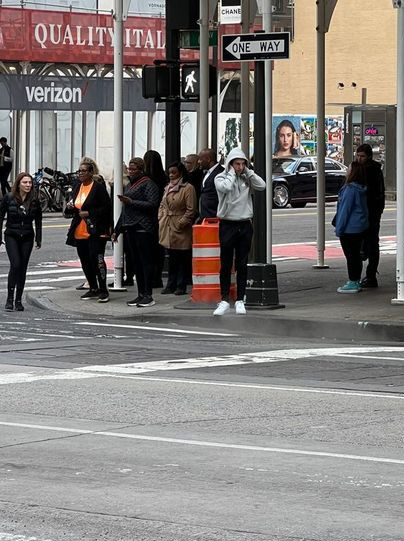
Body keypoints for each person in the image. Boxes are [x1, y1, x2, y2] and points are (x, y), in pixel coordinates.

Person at [213, 148, 266, 316]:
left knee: (242, 264)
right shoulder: (220, 177)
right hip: (227, 224)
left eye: (242, 163)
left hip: (244, 224)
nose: (240, 167)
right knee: (226, 263)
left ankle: (240, 299)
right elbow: (226, 188)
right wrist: (230, 173)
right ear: (230, 164)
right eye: (237, 163)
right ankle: (224, 299)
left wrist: (248, 172)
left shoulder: (246, 177)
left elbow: (262, 185)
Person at [114, 157, 159, 308]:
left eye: (134, 169)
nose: (130, 172)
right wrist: (117, 229)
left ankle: (148, 294)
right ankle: (140, 294)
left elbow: (153, 204)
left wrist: (131, 202)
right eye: (129, 169)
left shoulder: (148, 183)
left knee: (146, 262)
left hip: (144, 228)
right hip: (130, 227)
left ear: (141, 169)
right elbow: (125, 211)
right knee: (136, 263)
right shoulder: (129, 185)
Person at [65, 158, 112, 303]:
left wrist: (90, 213)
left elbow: (107, 208)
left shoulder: (98, 188)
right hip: (80, 230)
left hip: (95, 231)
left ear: (91, 172)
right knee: (85, 261)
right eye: (79, 171)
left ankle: (103, 290)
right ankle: (93, 288)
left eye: (84, 171)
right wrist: (70, 207)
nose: (80, 174)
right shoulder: (78, 186)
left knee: (97, 260)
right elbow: (75, 206)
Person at [0, 172, 42, 311]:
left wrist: (38, 238)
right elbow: (1, 216)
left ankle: (18, 300)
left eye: (30, 183)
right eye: (25, 182)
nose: (28, 185)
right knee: (16, 264)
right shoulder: (9, 197)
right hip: (11, 234)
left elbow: (38, 220)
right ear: (18, 184)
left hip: (27, 236)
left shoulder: (35, 199)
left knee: (23, 267)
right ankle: (9, 299)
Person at [158, 161, 197, 295]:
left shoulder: (188, 188)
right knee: (172, 257)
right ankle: (170, 284)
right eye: (169, 173)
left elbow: (191, 209)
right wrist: (161, 217)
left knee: (182, 257)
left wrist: (181, 223)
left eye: (174, 172)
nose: (171, 175)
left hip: (180, 226)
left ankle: (181, 285)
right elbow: (163, 204)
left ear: (180, 173)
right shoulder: (167, 188)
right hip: (168, 224)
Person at [334, 161, 369, 294]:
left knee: (351, 256)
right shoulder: (361, 188)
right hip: (359, 227)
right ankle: (356, 280)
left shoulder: (350, 189)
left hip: (349, 229)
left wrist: (339, 229)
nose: (347, 170)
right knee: (356, 256)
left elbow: (344, 211)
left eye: (348, 168)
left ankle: (353, 281)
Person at [355, 143, 385, 288]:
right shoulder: (365, 168)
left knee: (371, 243)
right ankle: (369, 273)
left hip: (370, 211)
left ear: (368, 156)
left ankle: (370, 274)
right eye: (358, 156)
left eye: (362, 156)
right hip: (368, 211)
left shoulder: (371, 170)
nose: (360, 159)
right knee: (369, 242)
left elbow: (375, 193)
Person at [143, 150, 168, 289]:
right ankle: (157, 277)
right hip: (161, 217)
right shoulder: (163, 178)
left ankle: (150, 278)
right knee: (158, 248)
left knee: (148, 250)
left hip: (148, 217)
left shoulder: (146, 180)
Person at [198, 148, 224, 219]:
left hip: (215, 218)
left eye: (200, 159)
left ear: (208, 159)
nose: (198, 161)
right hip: (205, 217)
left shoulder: (221, 173)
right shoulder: (206, 173)